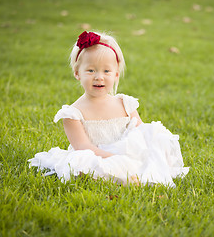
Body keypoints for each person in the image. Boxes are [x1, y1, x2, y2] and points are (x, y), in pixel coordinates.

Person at [28, 31, 189, 187]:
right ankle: (120, 178)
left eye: (106, 71)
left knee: (155, 139)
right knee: (82, 165)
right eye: (91, 70)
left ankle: (135, 175)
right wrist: (117, 159)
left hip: (128, 154)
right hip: (97, 156)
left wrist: (136, 156)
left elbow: (142, 134)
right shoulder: (72, 114)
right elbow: (84, 148)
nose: (99, 76)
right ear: (77, 73)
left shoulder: (125, 104)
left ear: (116, 74)